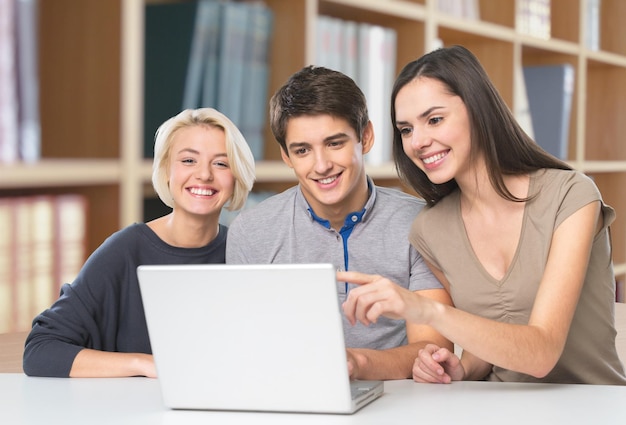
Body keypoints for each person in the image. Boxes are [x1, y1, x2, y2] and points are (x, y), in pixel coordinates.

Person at [341, 45, 626, 385]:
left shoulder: (571, 195)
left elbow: (541, 352)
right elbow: (493, 335)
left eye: (434, 120)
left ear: (478, 110)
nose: (418, 142)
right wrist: (462, 368)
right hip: (496, 407)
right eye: (406, 130)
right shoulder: (430, 230)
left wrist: (424, 309)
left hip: (594, 406)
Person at [226, 65, 452, 381]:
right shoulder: (250, 233)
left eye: (335, 143)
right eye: (302, 150)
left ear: (366, 137)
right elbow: (245, 344)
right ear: (287, 157)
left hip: (400, 401)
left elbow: (433, 349)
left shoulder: (421, 223)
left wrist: (354, 363)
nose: (321, 165)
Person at [23, 108, 256, 378]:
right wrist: (143, 364)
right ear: (167, 170)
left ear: (236, 176)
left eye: (221, 163)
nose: (204, 175)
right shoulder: (125, 250)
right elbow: (40, 350)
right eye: (189, 160)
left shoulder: (244, 253)